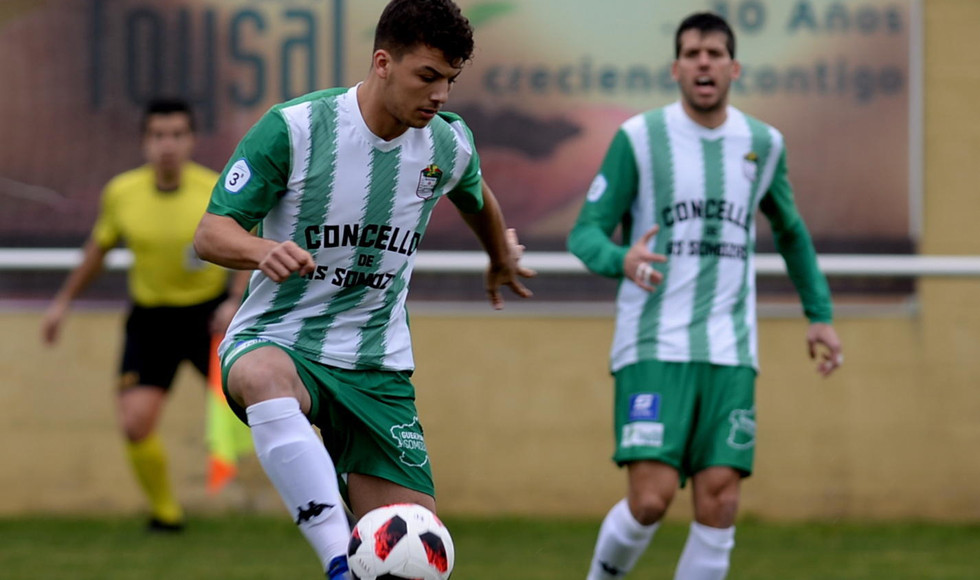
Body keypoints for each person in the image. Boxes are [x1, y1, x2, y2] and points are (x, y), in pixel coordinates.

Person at [192, 0, 533, 577]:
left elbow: (476, 194)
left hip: (376, 367)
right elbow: (210, 232)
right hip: (282, 338)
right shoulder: (295, 129)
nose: (440, 95)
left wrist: (499, 253)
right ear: (382, 62)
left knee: (417, 555)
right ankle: (337, 560)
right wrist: (260, 249)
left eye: (450, 80)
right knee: (260, 376)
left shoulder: (446, 145)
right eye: (427, 76)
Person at [568, 12, 844, 580]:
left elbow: (790, 230)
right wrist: (622, 259)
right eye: (692, 53)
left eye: (714, 54)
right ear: (675, 68)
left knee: (720, 502)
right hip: (653, 343)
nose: (703, 63)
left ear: (733, 67)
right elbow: (585, 232)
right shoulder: (640, 139)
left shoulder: (763, 145)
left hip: (731, 348)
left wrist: (819, 315)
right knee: (651, 498)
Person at [41, 98, 244, 531]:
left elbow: (248, 245)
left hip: (209, 318)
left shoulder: (214, 189)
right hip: (151, 320)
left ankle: (327, 507)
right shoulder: (121, 192)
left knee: (270, 411)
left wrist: (233, 302)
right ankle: (166, 516)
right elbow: (98, 251)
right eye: (158, 136)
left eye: (176, 135)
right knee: (135, 423)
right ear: (144, 142)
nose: (167, 145)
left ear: (191, 140)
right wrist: (62, 302)